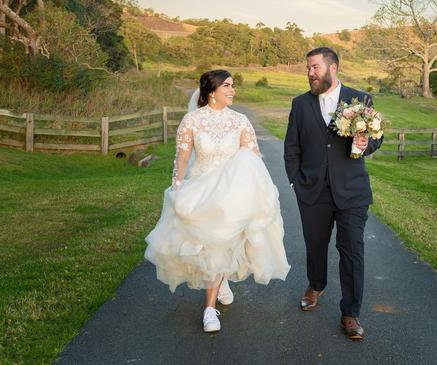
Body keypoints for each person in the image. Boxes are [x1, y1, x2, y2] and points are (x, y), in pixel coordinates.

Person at [145, 70, 290, 333]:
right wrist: (177, 185)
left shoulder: (240, 121)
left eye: (233, 86)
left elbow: (253, 157)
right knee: (206, 247)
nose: (233, 90)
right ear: (211, 92)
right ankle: (220, 282)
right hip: (202, 189)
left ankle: (209, 310)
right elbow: (182, 156)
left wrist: (259, 188)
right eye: (227, 86)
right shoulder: (192, 121)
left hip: (231, 195)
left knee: (222, 245)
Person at [284, 47, 383, 341]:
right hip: (312, 191)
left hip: (352, 190)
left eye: (314, 67)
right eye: (308, 68)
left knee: (352, 250)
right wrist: (295, 182)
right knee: (315, 245)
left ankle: (350, 313)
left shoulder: (360, 99)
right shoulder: (300, 104)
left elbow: (377, 138)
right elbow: (292, 147)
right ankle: (315, 285)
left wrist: (366, 144)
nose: (310, 73)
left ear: (333, 68)